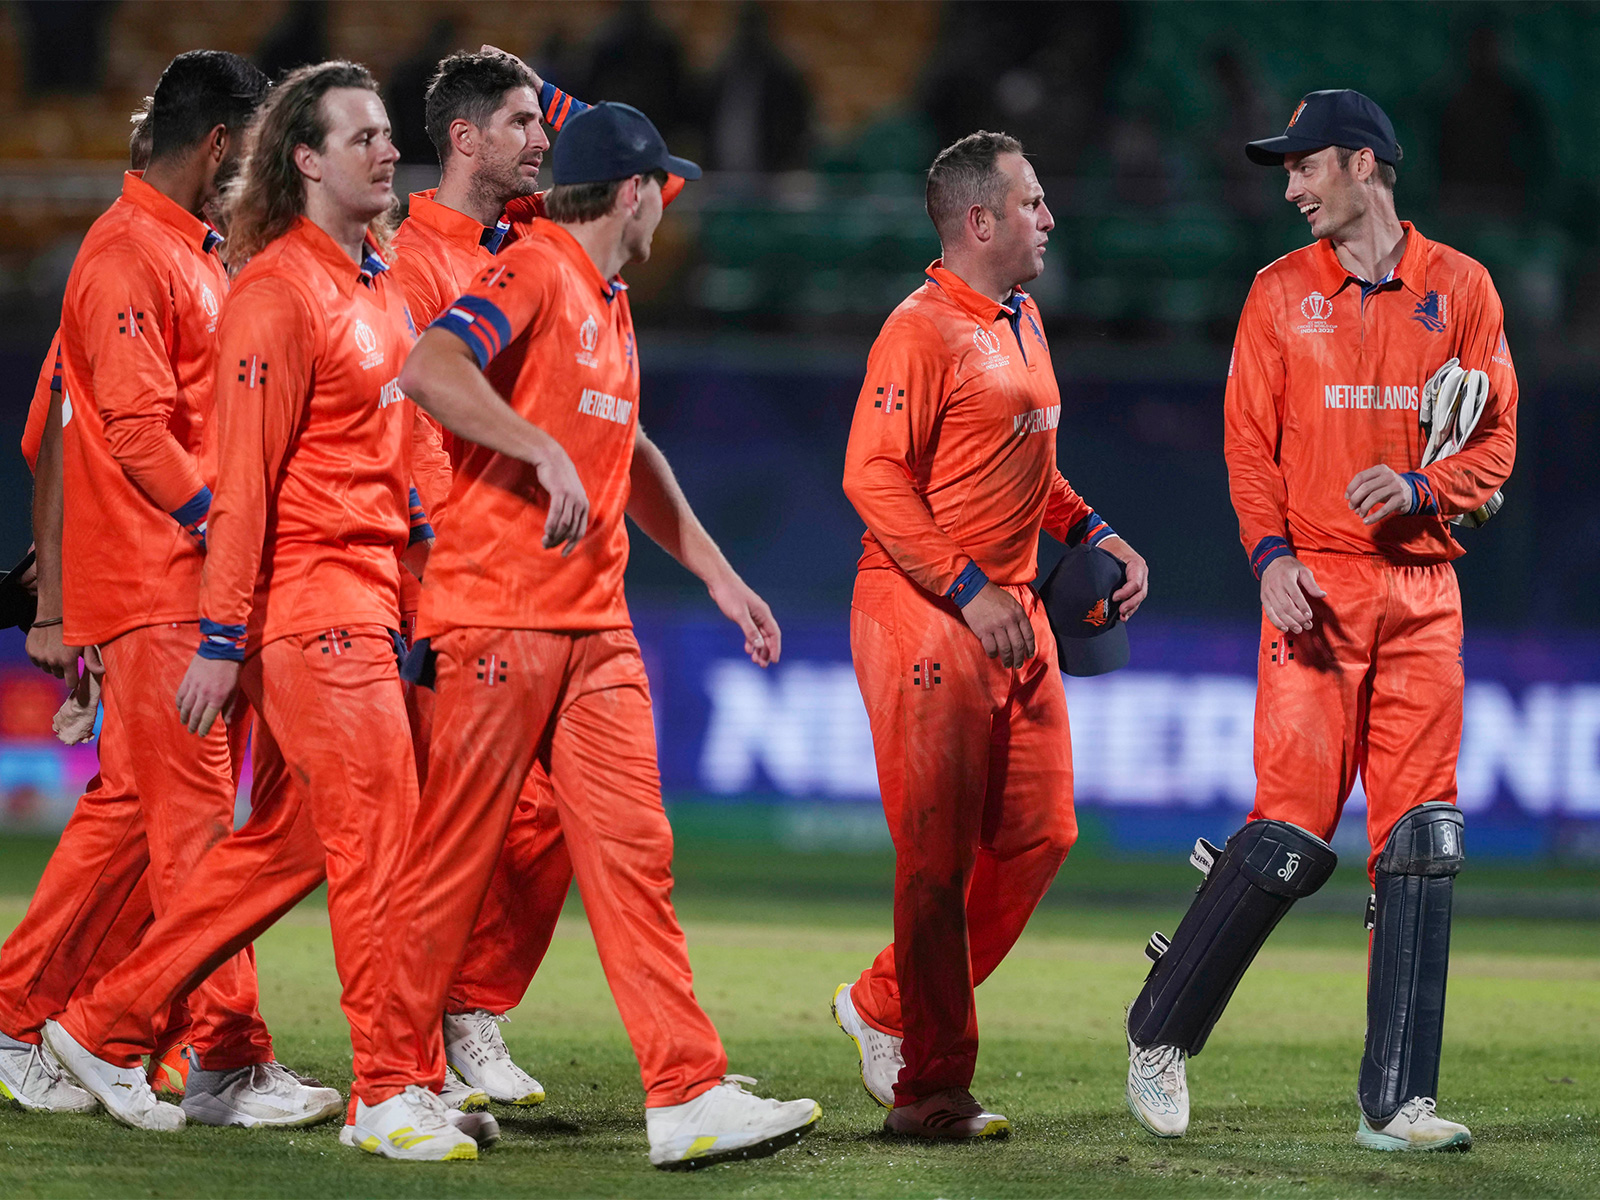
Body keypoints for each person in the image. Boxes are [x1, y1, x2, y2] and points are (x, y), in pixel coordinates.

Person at [40, 60, 484, 1161]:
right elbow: (230, 481)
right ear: (303, 159)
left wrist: (439, 581)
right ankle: (386, 1089)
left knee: (280, 844)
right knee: (372, 838)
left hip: (362, 596)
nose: (391, 151)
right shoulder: (272, 291)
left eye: (389, 133)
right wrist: (221, 634)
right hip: (299, 600)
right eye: (364, 136)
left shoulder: (374, 288)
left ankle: (104, 1020)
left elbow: (406, 462)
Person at [394, 100, 820, 1170]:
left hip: (595, 626)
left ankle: (685, 1093)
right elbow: (430, 367)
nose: (667, 211)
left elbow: (628, 451)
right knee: (452, 863)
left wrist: (719, 575)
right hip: (498, 614)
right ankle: (390, 1085)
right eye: (662, 192)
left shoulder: (609, 300)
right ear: (632, 194)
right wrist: (537, 448)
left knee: (636, 855)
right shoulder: (535, 269)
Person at [1123, 89, 1515, 1153]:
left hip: (1425, 594)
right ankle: (1158, 1029)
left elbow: (1495, 446)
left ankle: (1396, 1102)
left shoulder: (1464, 289)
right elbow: (1248, 446)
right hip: (1318, 592)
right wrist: (1270, 560)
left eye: (1304, 166)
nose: (1291, 187)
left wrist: (1426, 488)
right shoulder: (1275, 293)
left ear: (1361, 164)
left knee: (1421, 843)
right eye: (1288, 171)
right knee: (1289, 837)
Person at [8, 52, 337, 1129]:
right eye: (255, 152)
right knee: (197, 828)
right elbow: (120, 434)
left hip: (188, 581)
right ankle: (226, 1058)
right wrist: (62, 599)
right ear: (221, 144)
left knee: (127, 820)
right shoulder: (122, 259)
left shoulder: (192, 253)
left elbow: (60, 427)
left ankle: (18, 1016)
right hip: (156, 584)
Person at [832, 130, 1148, 1139]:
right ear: (980, 220)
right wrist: (966, 587)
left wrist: (1094, 529)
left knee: (1042, 835)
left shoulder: (1022, 317)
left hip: (1012, 612)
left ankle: (884, 1003)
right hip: (926, 611)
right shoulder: (918, 330)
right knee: (935, 861)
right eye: (1031, 202)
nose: (1049, 217)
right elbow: (871, 476)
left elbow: (1027, 461)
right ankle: (930, 1091)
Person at [387, 49, 588, 1111]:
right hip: (441, 578)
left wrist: (531, 85)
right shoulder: (410, 256)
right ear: (464, 141)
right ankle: (410, 1049)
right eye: (519, 123)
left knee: (544, 819)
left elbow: (641, 170)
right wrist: (439, 568)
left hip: (526, 576)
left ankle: (464, 1011)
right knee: (457, 824)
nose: (543, 140)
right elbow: (415, 417)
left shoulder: (534, 237)